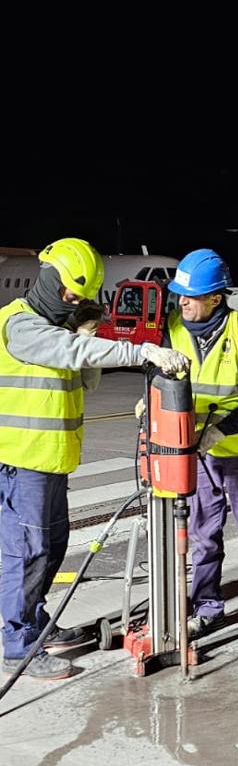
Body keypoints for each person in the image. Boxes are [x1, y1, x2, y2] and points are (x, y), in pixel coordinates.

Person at [0, 237, 190, 680]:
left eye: (79, 298)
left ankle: (34, 621)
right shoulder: (20, 326)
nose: (72, 301)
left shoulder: (58, 330)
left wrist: (84, 335)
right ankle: (17, 643)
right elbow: (71, 352)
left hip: (51, 460)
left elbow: (86, 381)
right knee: (27, 552)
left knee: (52, 548)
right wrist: (139, 350)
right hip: (21, 460)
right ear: (48, 280)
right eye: (68, 293)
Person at [165, 248, 238, 640]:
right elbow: (165, 380)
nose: (182, 302)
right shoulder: (175, 328)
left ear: (216, 297)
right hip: (198, 454)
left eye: (190, 296)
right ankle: (207, 607)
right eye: (180, 295)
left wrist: (220, 431)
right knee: (203, 534)